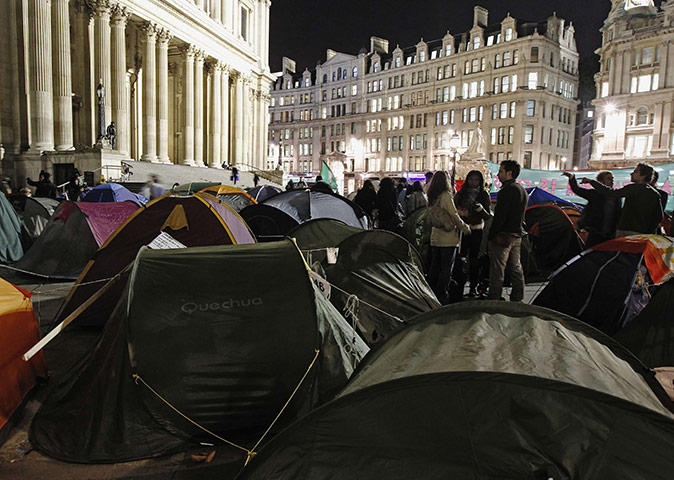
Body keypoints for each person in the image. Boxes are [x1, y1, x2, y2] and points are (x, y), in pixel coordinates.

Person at [581, 162, 663, 237]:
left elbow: (611, 192)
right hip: (641, 234)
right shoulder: (655, 194)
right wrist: (647, 231)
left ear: (643, 175)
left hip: (626, 231)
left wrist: (591, 182)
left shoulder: (633, 189)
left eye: (635, 172)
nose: (631, 174)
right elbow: (658, 217)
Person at [426, 171, 470, 304]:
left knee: (435, 267)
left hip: (436, 237)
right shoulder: (445, 196)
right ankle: (442, 295)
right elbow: (454, 214)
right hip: (448, 238)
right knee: (446, 269)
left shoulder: (432, 196)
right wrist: (464, 227)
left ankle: (430, 292)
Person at [487, 160, 528, 302]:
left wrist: (492, 234)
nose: (498, 174)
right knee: (516, 268)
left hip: (504, 235)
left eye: (501, 171)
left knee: (498, 270)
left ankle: (494, 297)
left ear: (509, 173)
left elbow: (500, 216)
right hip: (517, 234)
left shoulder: (506, 191)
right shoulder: (522, 190)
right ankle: (518, 297)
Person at [454, 170, 492, 297]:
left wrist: (480, 209)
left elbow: (487, 215)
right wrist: (460, 212)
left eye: (476, 180)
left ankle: (473, 286)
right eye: (471, 179)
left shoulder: (483, 195)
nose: (473, 182)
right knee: (461, 258)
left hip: (476, 229)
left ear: (480, 182)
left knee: (475, 259)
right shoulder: (461, 193)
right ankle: (459, 285)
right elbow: (454, 209)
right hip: (463, 229)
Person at [562, 170, 621, 248]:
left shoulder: (616, 196)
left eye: (612, 179)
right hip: (595, 231)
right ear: (601, 181)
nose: (612, 181)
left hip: (610, 233)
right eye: (609, 179)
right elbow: (577, 190)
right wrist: (572, 178)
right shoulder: (595, 194)